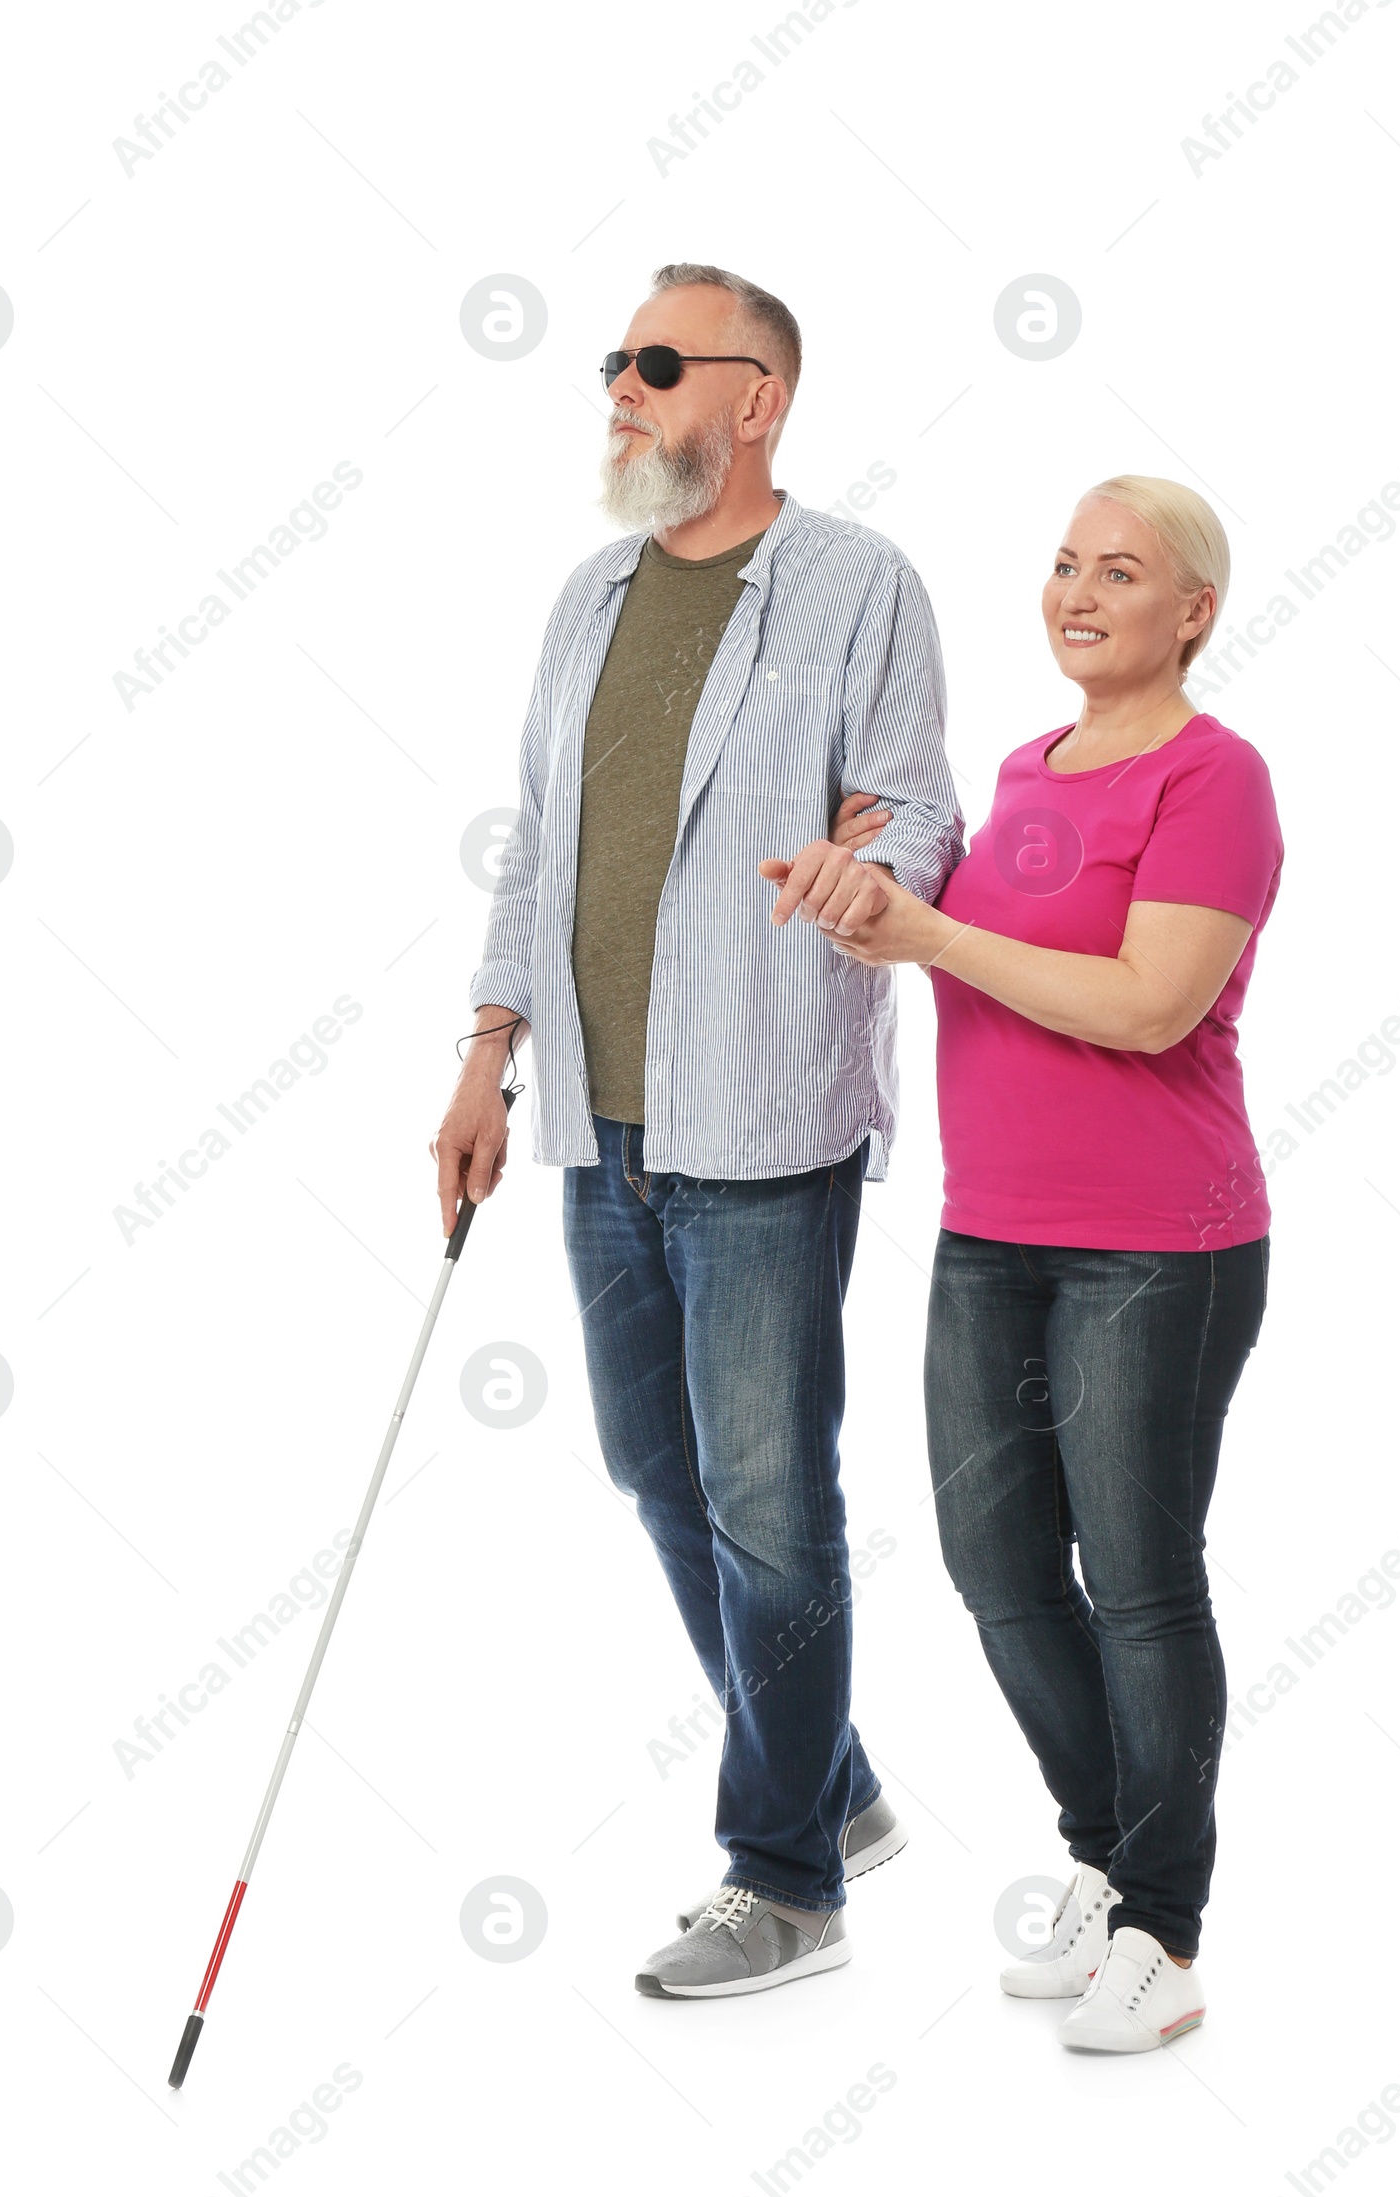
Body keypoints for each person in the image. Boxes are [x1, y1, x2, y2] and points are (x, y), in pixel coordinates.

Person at [434, 262, 964, 2000]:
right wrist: (485, 1053)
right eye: (616, 360)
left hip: (761, 1117)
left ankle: (785, 1877)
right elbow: (541, 838)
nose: (621, 389)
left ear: (758, 400)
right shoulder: (588, 599)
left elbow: (918, 805)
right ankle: (841, 1780)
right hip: (595, 1113)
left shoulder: (857, 585)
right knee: (656, 1473)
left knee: (769, 1500)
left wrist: (865, 872)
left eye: (658, 364)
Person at [799, 475, 1282, 2052]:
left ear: (1193, 610)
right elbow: (982, 947)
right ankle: (1112, 1859)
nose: (1078, 591)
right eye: (1065, 565)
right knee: (999, 1569)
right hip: (990, 1237)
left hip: (1159, 1251)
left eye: (1121, 571)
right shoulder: (1023, 768)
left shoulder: (1217, 779)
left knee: (1139, 1585)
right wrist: (872, 896)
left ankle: (1167, 1929)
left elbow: (1148, 1004)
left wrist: (935, 940)